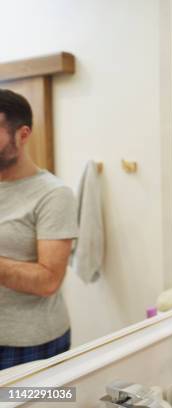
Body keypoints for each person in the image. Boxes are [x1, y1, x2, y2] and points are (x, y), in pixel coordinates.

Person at [0, 89, 78, 370]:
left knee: (50, 401)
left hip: (29, 346)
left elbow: (48, 281)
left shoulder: (54, 195)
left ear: (23, 134)